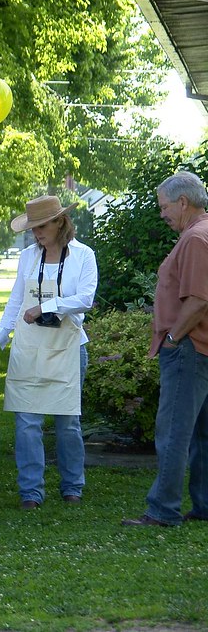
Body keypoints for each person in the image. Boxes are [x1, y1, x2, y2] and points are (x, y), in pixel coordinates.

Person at [0, 195, 98, 510]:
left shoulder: (83, 255)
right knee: (26, 419)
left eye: (41, 227)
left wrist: (47, 306)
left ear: (60, 222)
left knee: (67, 421)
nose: (36, 234)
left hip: (67, 346)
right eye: (33, 229)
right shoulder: (28, 256)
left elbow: (85, 299)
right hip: (30, 345)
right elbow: (16, 299)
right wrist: (0, 335)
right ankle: (31, 492)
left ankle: (72, 486)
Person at [122, 171, 208, 527]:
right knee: (202, 433)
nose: (162, 214)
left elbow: (199, 301)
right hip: (200, 349)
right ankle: (203, 505)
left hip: (189, 349)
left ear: (184, 202)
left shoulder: (195, 239)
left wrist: (173, 337)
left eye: (165, 207)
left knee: (173, 431)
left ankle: (163, 509)